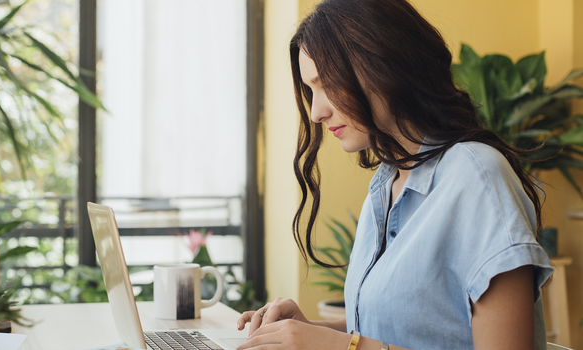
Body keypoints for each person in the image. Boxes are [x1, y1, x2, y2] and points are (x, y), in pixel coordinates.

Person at [236, 0, 554, 349]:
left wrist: (342, 347)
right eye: (311, 90)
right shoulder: (388, 180)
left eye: (326, 84)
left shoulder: (476, 176)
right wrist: (309, 331)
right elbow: (411, 327)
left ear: (383, 66)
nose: (316, 112)